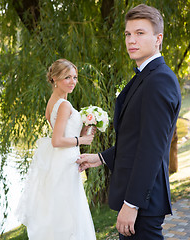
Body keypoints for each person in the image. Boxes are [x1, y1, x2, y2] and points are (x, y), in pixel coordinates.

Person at [77, 4, 181, 240]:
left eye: (140, 33)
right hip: (141, 198)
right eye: (128, 34)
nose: (131, 40)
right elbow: (135, 139)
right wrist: (101, 157)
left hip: (143, 202)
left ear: (158, 38)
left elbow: (151, 149)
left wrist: (131, 204)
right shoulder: (146, 76)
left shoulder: (159, 81)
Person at [16, 59, 96, 240]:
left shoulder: (52, 102)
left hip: (61, 160)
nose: (73, 82)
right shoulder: (64, 104)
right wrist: (82, 139)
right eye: (67, 77)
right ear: (54, 78)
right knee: (69, 212)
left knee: (59, 210)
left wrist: (83, 129)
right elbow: (57, 140)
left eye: (75, 77)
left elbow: (62, 134)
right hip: (65, 162)